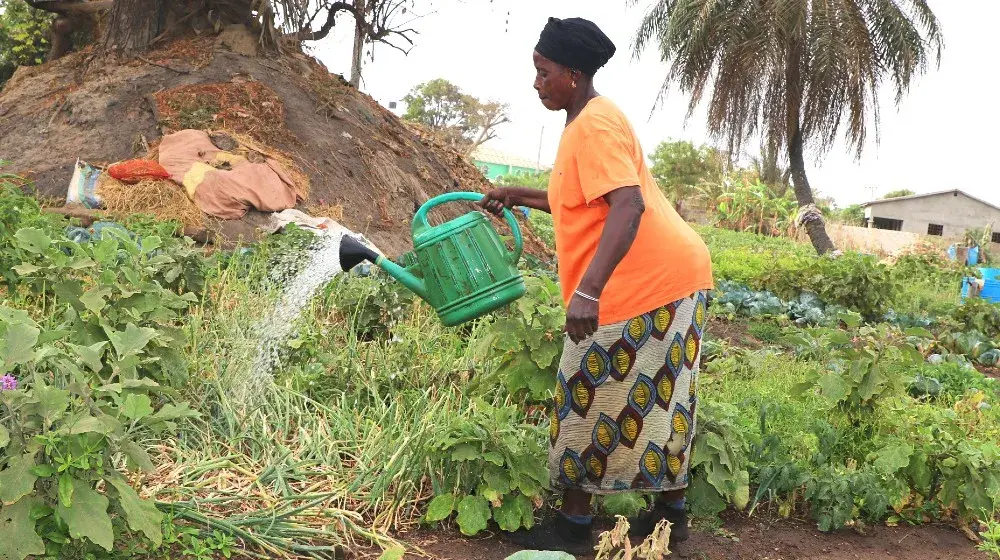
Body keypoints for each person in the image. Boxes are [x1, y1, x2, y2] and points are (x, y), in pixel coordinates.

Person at [479, 16, 714, 554]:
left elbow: (627, 204)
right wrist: (521, 193)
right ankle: (670, 521)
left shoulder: (595, 125)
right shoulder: (586, 117)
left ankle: (574, 532)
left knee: (581, 398)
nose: (536, 83)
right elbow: (586, 199)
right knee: (662, 401)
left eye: (543, 72)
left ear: (574, 74)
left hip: (651, 282)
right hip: (670, 277)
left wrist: (588, 291)